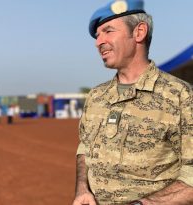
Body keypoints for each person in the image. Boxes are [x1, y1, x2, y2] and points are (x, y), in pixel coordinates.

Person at [73, 0, 193, 204]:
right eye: (97, 35)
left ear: (139, 32)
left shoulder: (180, 96)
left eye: (108, 31)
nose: (98, 42)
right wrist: (82, 189)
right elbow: (84, 149)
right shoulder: (96, 96)